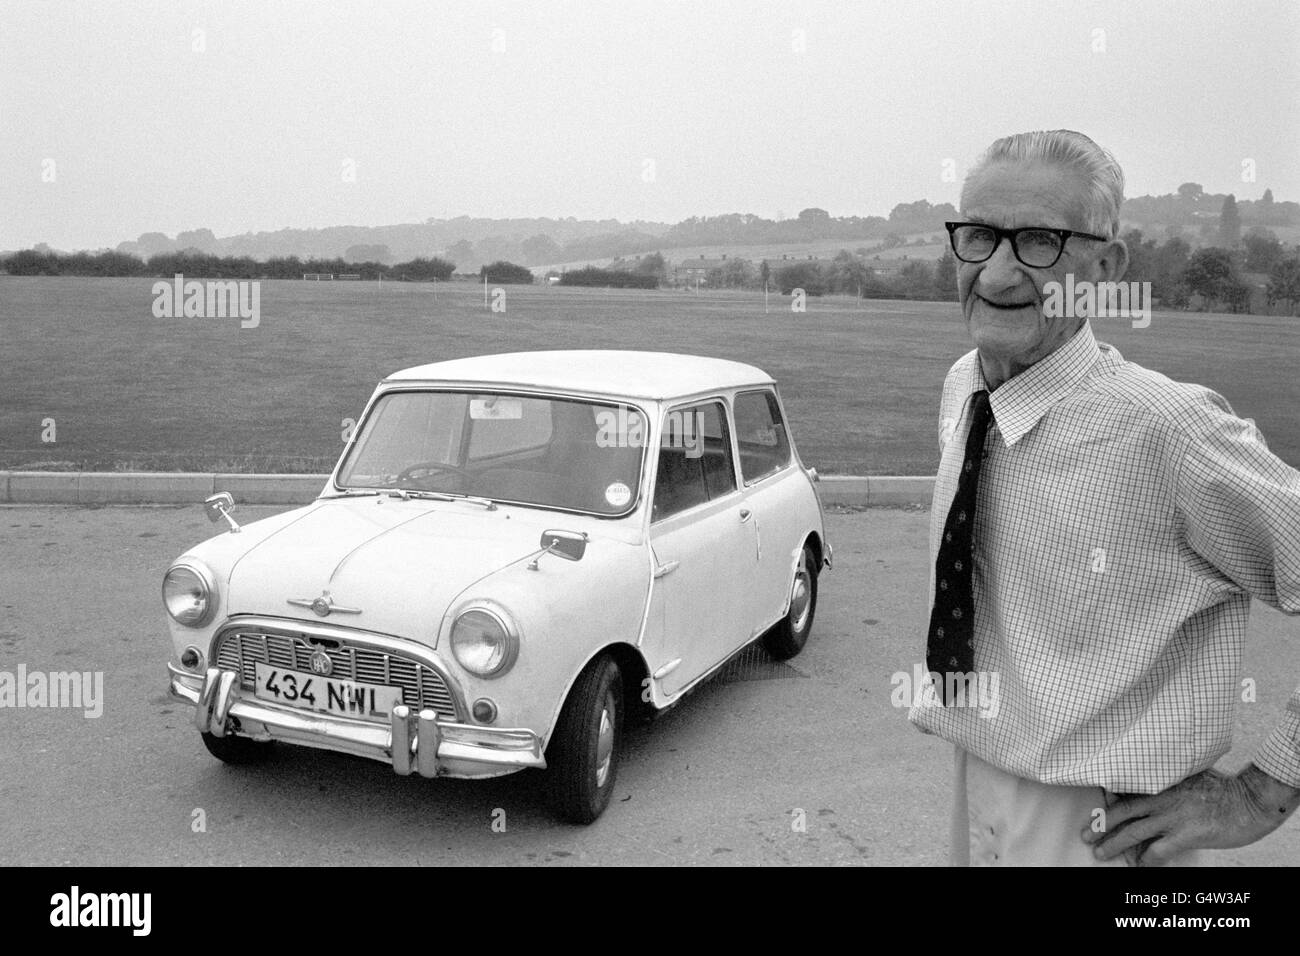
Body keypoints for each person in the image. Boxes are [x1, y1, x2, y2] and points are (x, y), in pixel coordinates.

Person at [909, 129, 1300, 866]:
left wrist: (1260, 791)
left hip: (1106, 833)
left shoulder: (1170, 430)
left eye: (1039, 242)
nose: (995, 276)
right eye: (979, 236)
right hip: (976, 782)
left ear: (1107, 265)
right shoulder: (966, 384)